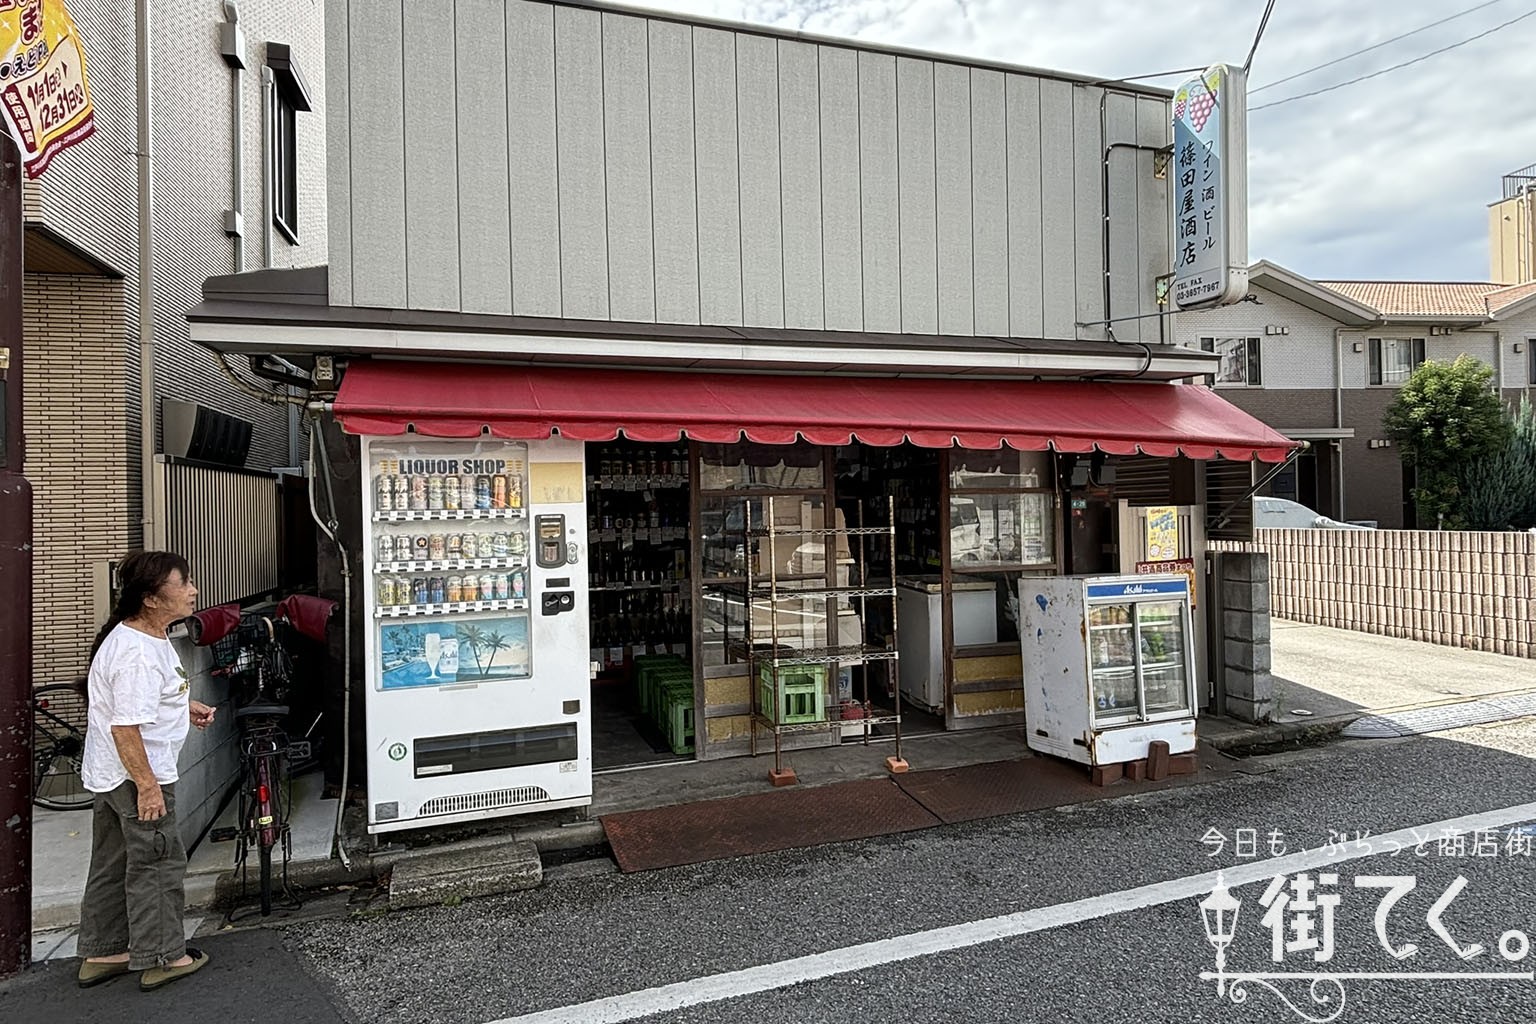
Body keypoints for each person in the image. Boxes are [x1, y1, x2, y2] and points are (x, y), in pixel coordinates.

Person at [75, 551, 216, 992]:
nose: (193, 589)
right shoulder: (135, 651)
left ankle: (104, 950)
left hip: (111, 774)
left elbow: (136, 704)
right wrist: (149, 787)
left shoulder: (142, 636)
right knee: (156, 863)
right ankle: (164, 956)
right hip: (137, 776)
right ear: (152, 599)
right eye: (183, 583)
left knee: (112, 862)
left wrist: (180, 706)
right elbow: (125, 726)